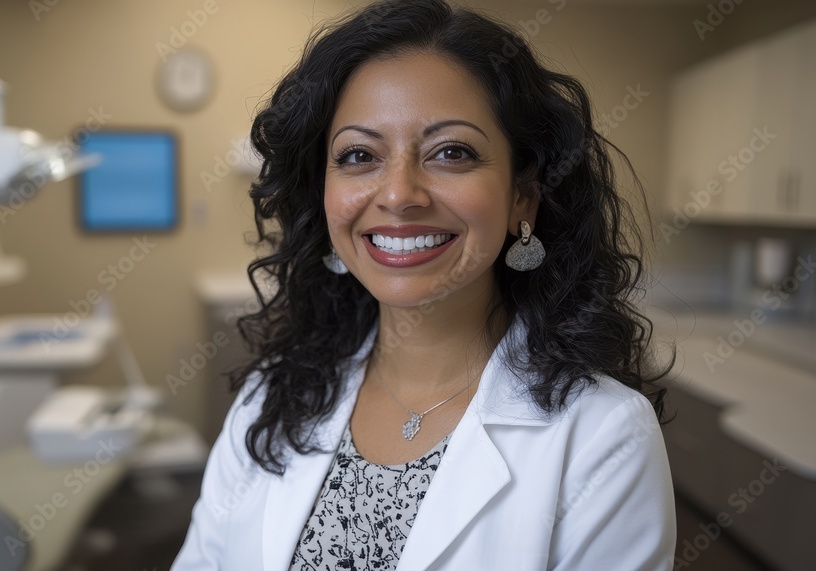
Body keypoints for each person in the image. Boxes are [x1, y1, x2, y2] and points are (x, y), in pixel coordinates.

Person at [172, 0, 677, 569]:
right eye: (359, 155)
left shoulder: (603, 438)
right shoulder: (272, 399)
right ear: (324, 197)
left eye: (452, 152)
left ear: (523, 197)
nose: (398, 194)